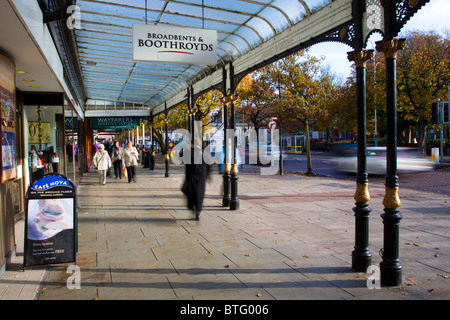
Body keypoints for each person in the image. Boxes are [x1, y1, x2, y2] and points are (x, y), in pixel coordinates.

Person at [182, 140, 211, 220]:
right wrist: (208, 177)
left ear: (192, 144)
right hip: (201, 176)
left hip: (192, 175)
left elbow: (184, 162)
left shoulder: (189, 152)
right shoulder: (204, 153)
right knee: (199, 193)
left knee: (191, 192)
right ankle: (198, 210)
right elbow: (208, 166)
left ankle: (192, 207)